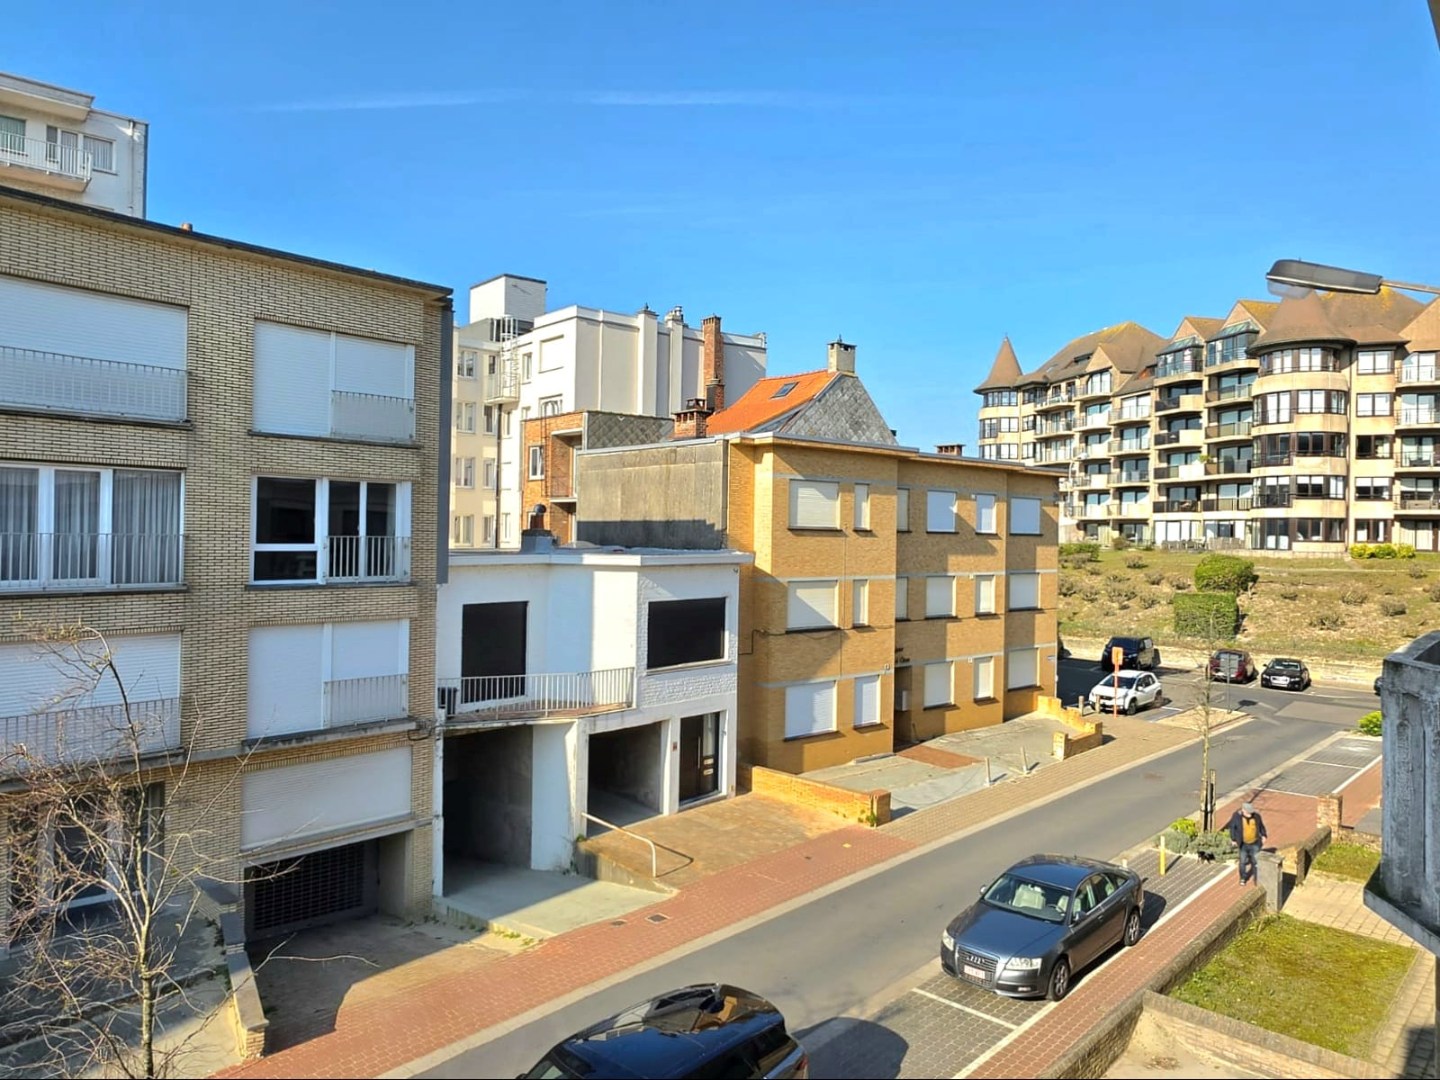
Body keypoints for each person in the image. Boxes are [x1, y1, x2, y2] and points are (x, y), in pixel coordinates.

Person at [1227, 801, 1268, 886]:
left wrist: (1264, 835)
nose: (1250, 814)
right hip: (1243, 844)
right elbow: (1232, 828)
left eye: (1251, 812)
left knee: (1255, 861)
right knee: (1242, 862)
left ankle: (1257, 879)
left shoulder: (1256, 816)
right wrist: (1233, 839)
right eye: (1248, 812)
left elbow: (1261, 826)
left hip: (1255, 843)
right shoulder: (1236, 817)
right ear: (1243, 810)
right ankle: (1243, 877)